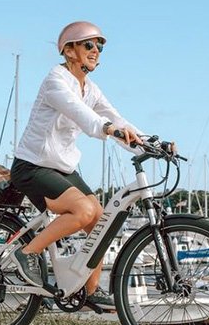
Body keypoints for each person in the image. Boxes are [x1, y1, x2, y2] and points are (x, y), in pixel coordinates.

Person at [8, 21, 143, 295]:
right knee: (83, 211)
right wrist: (106, 128)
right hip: (33, 166)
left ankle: (89, 292)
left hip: (62, 167)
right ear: (69, 51)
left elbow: (115, 117)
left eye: (100, 46)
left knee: (101, 221)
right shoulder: (55, 81)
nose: (96, 51)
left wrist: (150, 142)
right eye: (89, 45)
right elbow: (83, 115)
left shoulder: (90, 88)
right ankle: (26, 254)